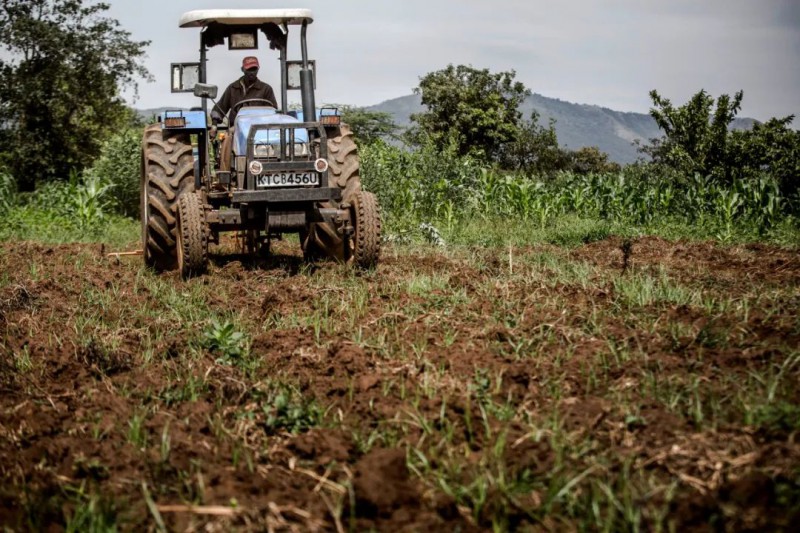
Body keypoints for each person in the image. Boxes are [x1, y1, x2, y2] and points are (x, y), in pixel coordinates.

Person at [213, 56, 278, 170]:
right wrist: (214, 123)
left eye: (254, 69)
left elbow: (273, 111)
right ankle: (226, 172)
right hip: (237, 128)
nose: (252, 73)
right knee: (227, 138)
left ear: (258, 69)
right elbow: (220, 107)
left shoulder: (266, 89)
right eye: (249, 70)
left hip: (260, 128)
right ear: (243, 69)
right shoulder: (233, 88)